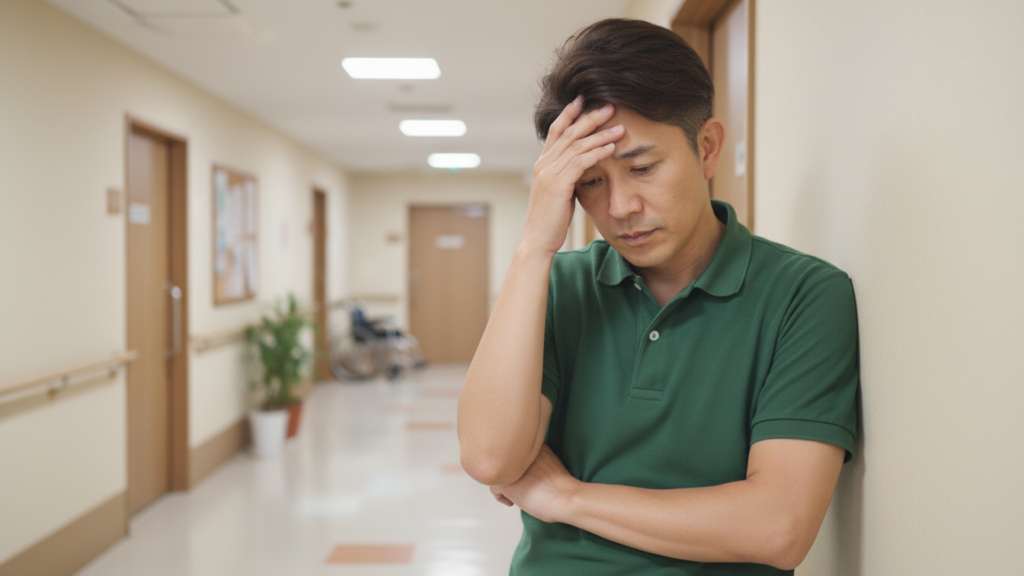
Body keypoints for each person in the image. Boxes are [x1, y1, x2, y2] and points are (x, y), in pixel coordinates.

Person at [457, 18, 858, 575]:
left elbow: (778, 527)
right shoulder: (559, 285)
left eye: (642, 167)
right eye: (590, 181)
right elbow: (489, 456)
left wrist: (565, 497)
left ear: (709, 148)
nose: (620, 207)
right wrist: (533, 247)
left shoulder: (804, 295)